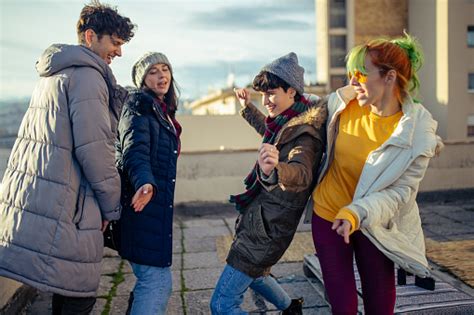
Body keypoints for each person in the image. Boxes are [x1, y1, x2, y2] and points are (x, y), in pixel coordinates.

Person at [0, 1, 135, 314]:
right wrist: (112, 206)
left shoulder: (54, 74)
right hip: (71, 208)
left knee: (65, 293)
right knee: (78, 297)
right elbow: (96, 152)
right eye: (115, 43)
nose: (119, 52)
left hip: (42, 202)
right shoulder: (87, 77)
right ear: (90, 36)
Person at [309, 33, 443, 315]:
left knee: (381, 306)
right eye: (350, 74)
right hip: (329, 216)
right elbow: (303, 113)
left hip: (374, 224)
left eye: (360, 73)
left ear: (389, 77)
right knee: (343, 308)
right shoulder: (342, 105)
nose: (352, 82)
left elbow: (399, 194)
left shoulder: (416, 134)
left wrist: (356, 213)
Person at [210, 52, 327, 315]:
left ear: (292, 92)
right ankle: (290, 308)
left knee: (221, 305)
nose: (266, 101)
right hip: (263, 220)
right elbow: (268, 129)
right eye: (263, 95)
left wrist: (275, 170)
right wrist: (247, 108)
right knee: (257, 274)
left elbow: (301, 174)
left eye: (271, 94)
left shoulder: (305, 134)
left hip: (268, 226)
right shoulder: (288, 122)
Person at [115, 51, 182, 315]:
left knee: (151, 278)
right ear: (142, 80)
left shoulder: (162, 111)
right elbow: (134, 149)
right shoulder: (139, 106)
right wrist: (145, 182)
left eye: (165, 69)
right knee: (156, 281)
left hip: (154, 209)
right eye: (153, 71)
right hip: (142, 206)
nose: (161, 75)